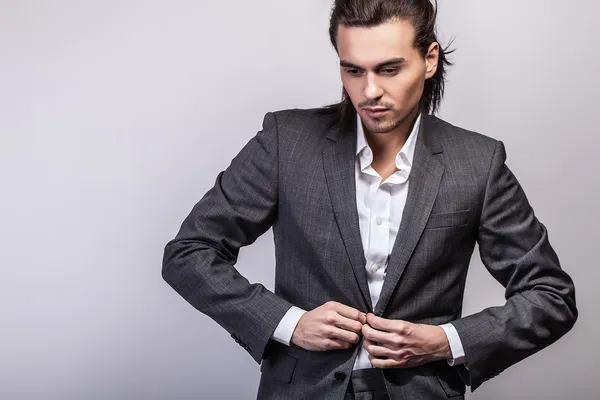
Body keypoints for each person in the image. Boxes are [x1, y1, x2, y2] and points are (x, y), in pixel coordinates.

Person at [161, 0, 577, 398]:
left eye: (389, 69)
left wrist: (444, 342)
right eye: (353, 70)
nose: (369, 91)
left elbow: (550, 296)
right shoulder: (284, 143)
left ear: (429, 59)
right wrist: (290, 324)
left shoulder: (478, 162)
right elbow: (189, 253)